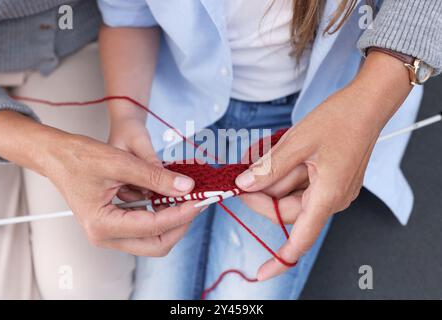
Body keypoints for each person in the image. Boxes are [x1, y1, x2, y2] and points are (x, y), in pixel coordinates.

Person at [98, 0, 442, 299]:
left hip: (305, 118)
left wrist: (364, 112)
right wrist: (127, 117)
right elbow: (128, 16)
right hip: (182, 106)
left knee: (246, 292)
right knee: (159, 291)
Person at [0, 0, 201, 299]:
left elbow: (130, 12)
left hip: (79, 41)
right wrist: (52, 154)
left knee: (85, 290)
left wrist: (126, 118)